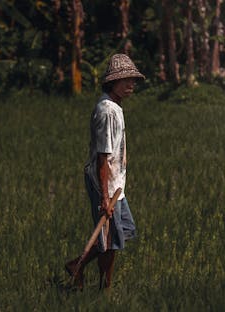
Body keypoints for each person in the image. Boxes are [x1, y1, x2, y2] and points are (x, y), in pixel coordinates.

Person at [65, 54, 145, 290]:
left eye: (133, 80)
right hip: (105, 182)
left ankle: (76, 266)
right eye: (125, 80)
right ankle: (104, 289)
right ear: (113, 82)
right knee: (109, 241)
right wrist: (104, 196)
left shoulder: (116, 107)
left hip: (115, 183)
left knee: (124, 232)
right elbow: (103, 157)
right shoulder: (107, 111)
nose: (131, 84)